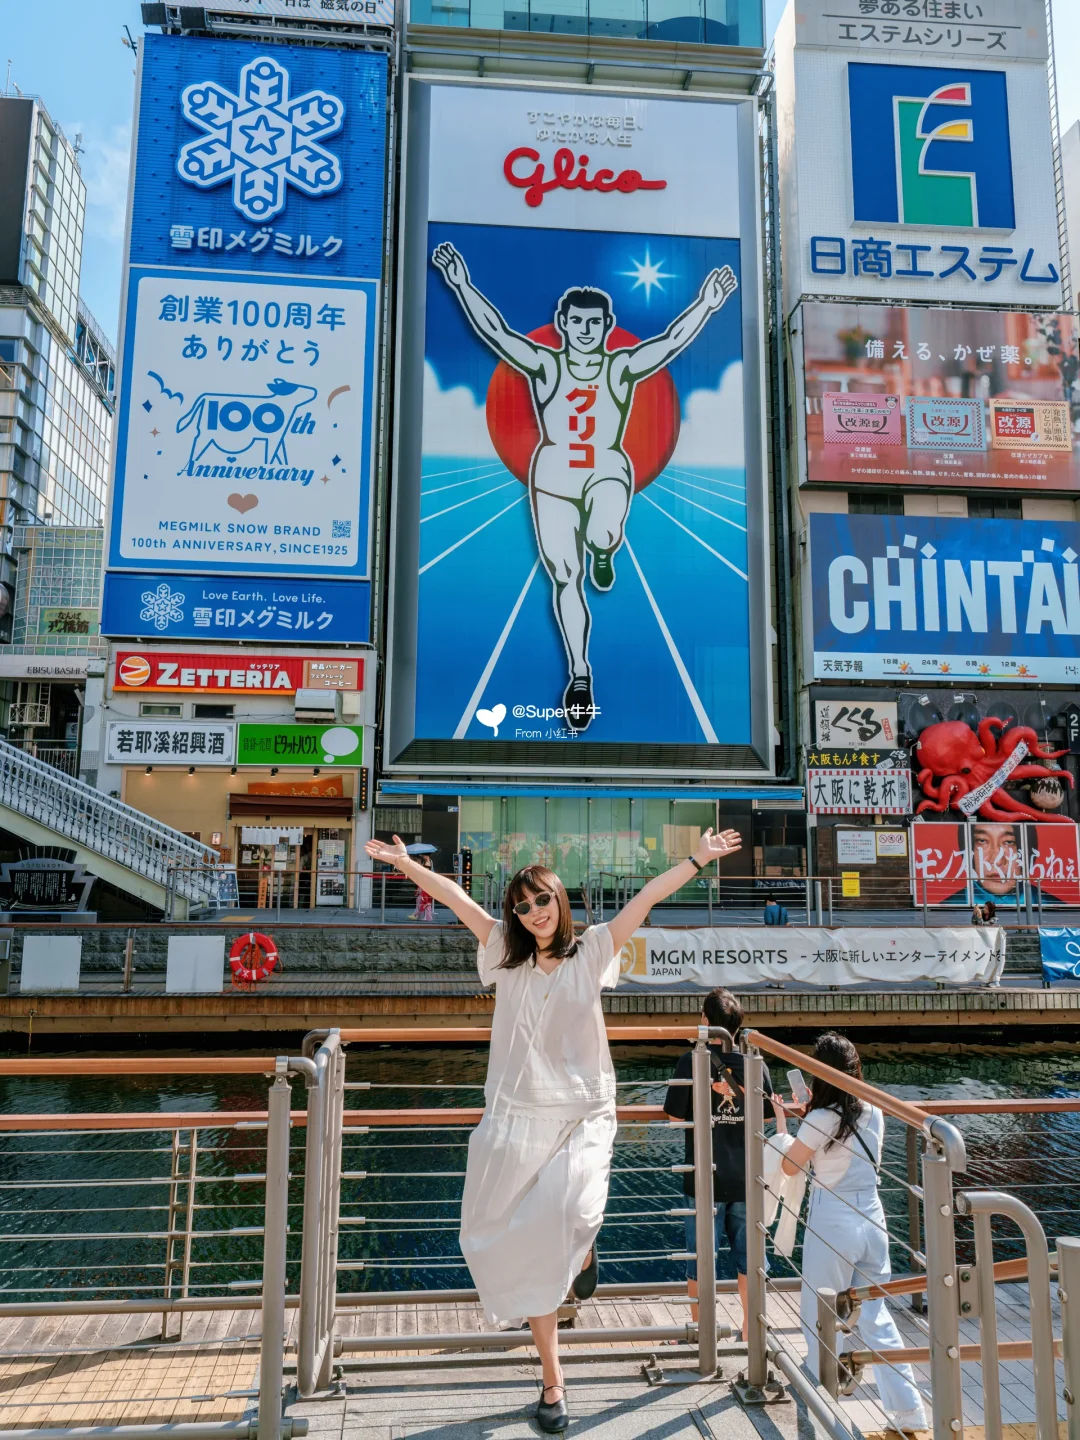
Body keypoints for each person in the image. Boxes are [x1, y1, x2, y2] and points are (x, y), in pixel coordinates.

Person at [365, 826, 743, 1433]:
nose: (535, 911)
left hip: (584, 1112)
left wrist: (698, 858)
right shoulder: (504, 953)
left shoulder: (592, 950)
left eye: (543, 899)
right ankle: (552, 1378)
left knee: (574, 1209)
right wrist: (407, 865)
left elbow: (646, 897)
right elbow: (457, 898)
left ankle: (582, 1246)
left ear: (560, 900)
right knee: (496, 1235)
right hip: (517, 1114)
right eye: (523, 905)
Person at [432, 241, 738, 731]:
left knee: (601, 533)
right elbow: (496, 332)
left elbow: (668, 343)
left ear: (606, 326)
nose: (585, 330)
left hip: (606, 470)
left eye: (594, 323)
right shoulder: (546, 365)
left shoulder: (620, 368)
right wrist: (461, 284)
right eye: (577, 322)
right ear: (563, 323)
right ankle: (579, 672)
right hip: (552, 476)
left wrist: (706, 303)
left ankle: (604, 549)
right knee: (564, 576)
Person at [781, 1034, 927, 1434]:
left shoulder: (821, 1119)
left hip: (833, 1219)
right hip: (873, 1218)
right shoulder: (873, 1110)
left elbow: (791, 1166)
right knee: (877, 1316)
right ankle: (910, 1410)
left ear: (821, 1073)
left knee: (819, 1313)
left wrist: (799, 1120)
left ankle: (822, 1397)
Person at [663, 988, 785, 1339]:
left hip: (704, 1179)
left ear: (705, 1021)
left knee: (701, 1260)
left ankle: (702, 1331)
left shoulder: (690, 1061)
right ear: (737, 1026)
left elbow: (674, 1117)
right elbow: (765, 1117)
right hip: (747, 1178)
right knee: (750, 1260)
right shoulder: (755, 1065)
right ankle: (750, 1330)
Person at [409, 854, 436, 922]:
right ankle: (417, 915)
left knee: (425, 900)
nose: (423, 857)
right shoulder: (428, 862)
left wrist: (419, 865)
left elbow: (424, 872)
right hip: (426, 883)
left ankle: (425, 916)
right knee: (420, 899)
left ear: (427, 856)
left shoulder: (428, 863)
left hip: (426, 883)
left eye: (424, 855)